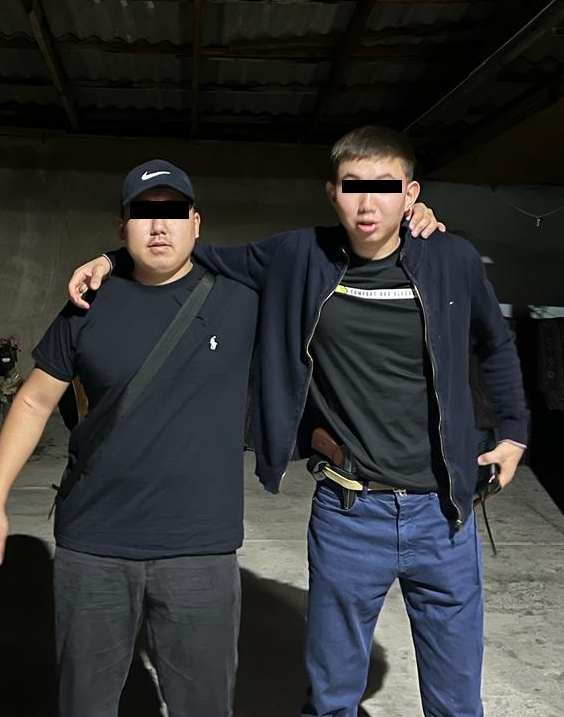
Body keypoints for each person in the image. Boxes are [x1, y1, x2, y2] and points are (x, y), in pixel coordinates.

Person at [68, 127, 528, 717]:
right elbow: (192, 253)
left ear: (411, 194)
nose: (368, 203)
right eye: (353, 187)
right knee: (332, 699)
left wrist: (514, 432)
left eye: (386, 188)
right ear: (332, 193)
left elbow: (496, 341)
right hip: (349, 514)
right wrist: (111, 259)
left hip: (445, 514)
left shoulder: (451, 259)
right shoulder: (298, 255)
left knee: (458, 703)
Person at [0, 161, 262, 717]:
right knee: (85, 704)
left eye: (173, 213)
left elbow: (325, 260)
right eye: (143, 214)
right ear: (122, 225)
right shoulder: (88, 304)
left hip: (198, 549)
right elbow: (32, 401)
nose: (159, 226)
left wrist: (418, 223)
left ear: (196, 223)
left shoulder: (242, 299)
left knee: (204, 706)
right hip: (94, 547)